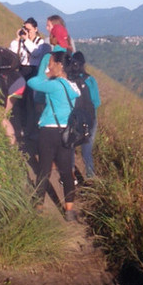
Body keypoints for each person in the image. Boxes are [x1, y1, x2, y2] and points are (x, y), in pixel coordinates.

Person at [26, 51, 80, 221]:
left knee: (44, 170)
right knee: (65, 172)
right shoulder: (74, 87)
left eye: (51, 62)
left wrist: (44, 72)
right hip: (66, 133)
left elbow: (32, 82)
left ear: (59, 65)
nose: (49, 65)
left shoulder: (55, 85)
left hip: (48, 132)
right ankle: (69, 210)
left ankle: (39, 206)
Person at [65, 51, 101, 180]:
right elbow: (96, 102)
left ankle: (70, 173)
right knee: (87, 147)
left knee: (71, 145)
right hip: (90, 118)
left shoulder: (68, 79)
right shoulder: (90, 80)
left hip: (73, 117)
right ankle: (90, 175)